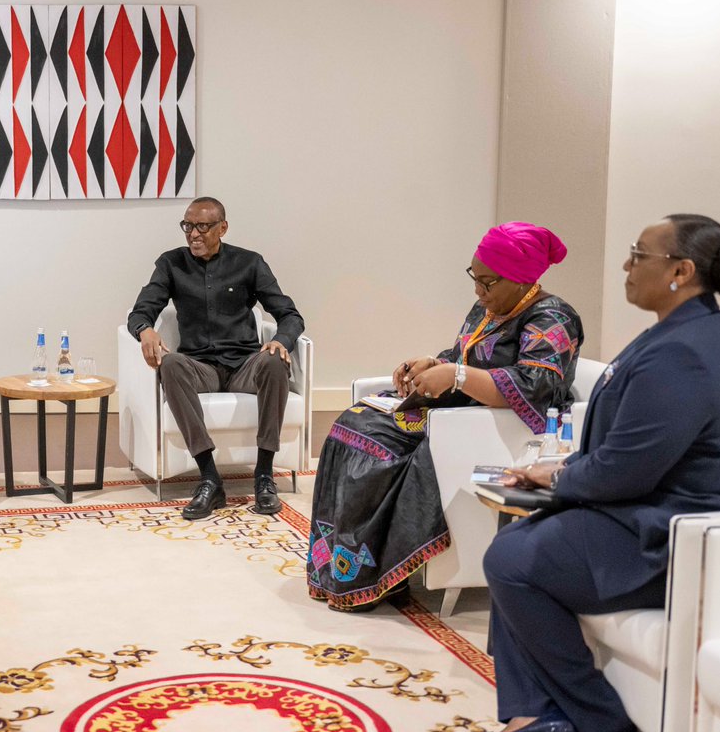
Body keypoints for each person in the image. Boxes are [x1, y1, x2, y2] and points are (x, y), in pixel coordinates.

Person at [461, 214, 720, 732]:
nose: (626, 265)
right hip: (651, 511)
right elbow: (630, 450)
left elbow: (624, 472)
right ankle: (534, 715)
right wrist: (561, 469)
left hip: (678, 533)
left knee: (513, 558)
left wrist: (556, 477)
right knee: (522, 542)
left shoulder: (685, 351)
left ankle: (599, 720)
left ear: (681, 270)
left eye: (638, 254)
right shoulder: (680, 330)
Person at [307, 222, 583, 611]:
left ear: (522, 281)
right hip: (459, 412)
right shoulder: (489, 308)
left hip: (495, 426)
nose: (478, 290)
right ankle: (344, 570)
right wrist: (432, 364)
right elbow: (464, 357)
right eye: (475, 277)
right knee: (353, 423)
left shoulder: (552, 318)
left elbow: (536, 385)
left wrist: (456, 376)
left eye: (488, 282)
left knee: (379, 447)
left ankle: (379, 572)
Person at [127, 196, 305, 520]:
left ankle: (264, 474)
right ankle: (209, 476)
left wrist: (280, 340)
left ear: (222, 228)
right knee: (170, 364)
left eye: (203, 227)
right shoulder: (171, 264)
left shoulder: (249, 263)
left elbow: (290, 315)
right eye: (188, 226)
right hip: (200, 367)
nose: (193, 234)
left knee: (275, 361)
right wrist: (145, 330)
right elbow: (141, 311)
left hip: (244, 365)